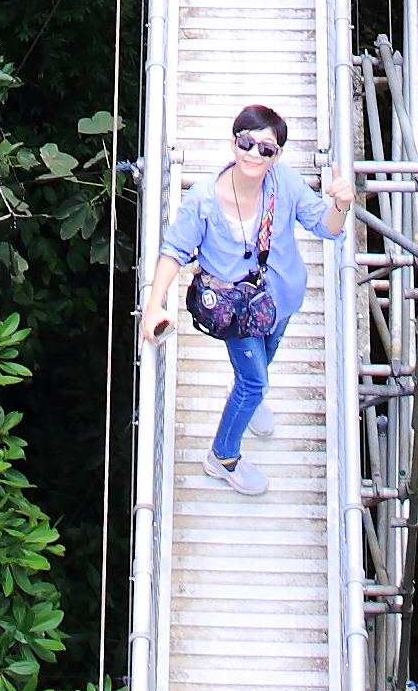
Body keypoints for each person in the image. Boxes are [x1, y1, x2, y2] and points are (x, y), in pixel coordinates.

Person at [141, 99, 345, 496]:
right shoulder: (203, 199)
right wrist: (154, 304)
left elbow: (326, 226)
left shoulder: (283, 183)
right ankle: (223, 456)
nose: (254, 154)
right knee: (253, 383)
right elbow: (174, 251)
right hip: (236, 312)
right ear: (234, 144)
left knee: (262, 365)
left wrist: (340, 203)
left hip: (280, 300)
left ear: (277, 155)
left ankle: (251, 395)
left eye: (266, 149)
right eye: (247, 143)